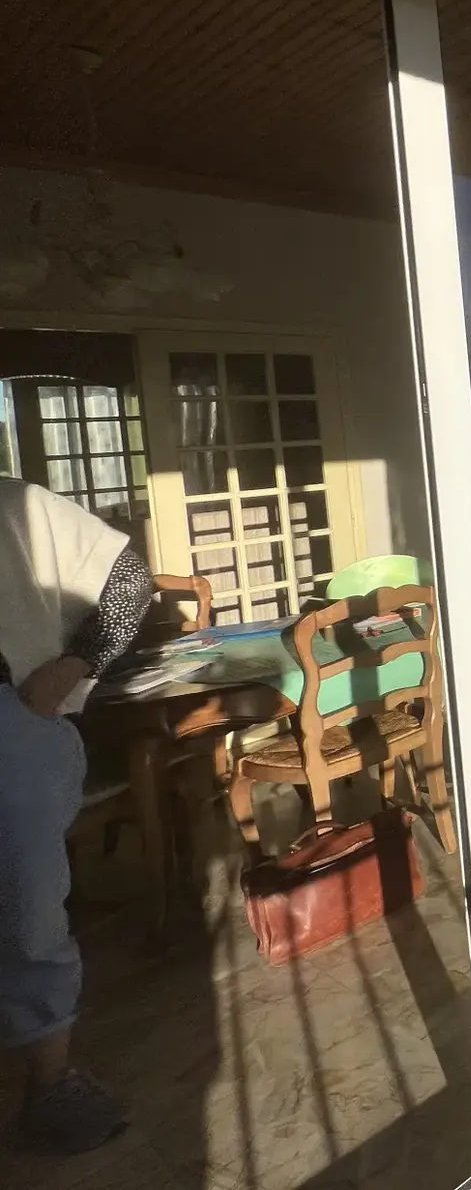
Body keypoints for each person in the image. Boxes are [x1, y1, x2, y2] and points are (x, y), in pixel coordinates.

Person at [1, 475, 150, 1154]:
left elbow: (128, 581)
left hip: (12, 720)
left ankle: (51, 1082)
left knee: (30, 910)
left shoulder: (16, 503)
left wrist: (73, 664)